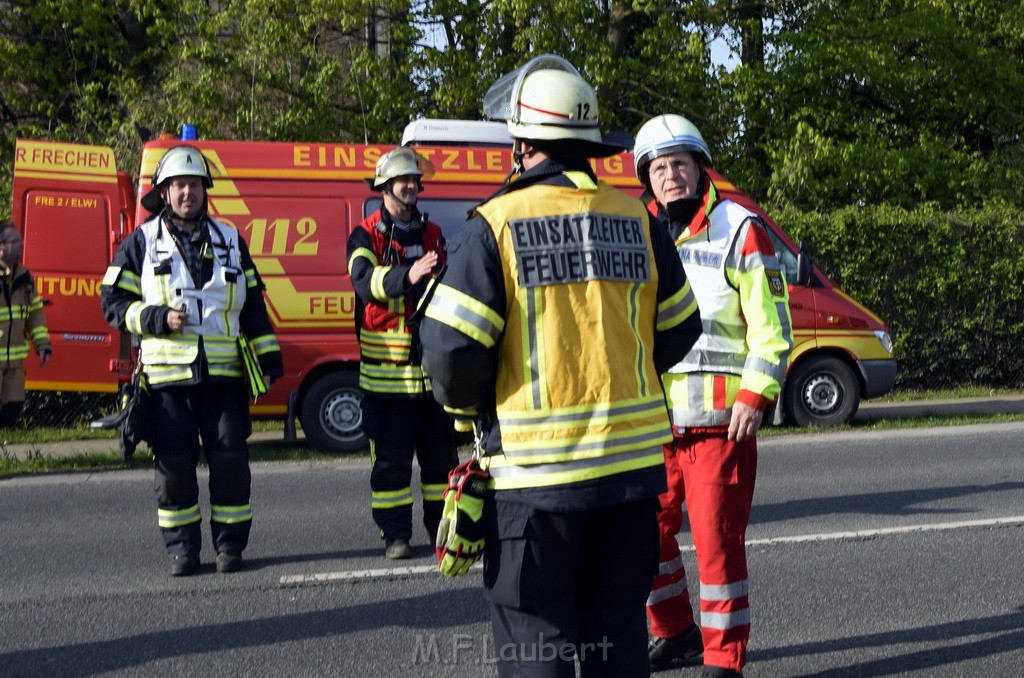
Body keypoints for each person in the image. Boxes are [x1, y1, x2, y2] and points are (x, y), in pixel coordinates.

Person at [418, 54, 703, 677]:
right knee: (618, 642)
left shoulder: (494, 225)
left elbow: (449, 355)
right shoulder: (641, 222)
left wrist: (479, 409)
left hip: (532, 483)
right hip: (629, 481)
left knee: (537, 646)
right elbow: (681, 330)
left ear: (523, 145)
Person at [634, 114, 793, 677]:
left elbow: (772, 326)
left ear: (700, 169)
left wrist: (756, 393)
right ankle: (675, 631)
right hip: (652, 423)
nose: (671, 176)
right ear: (646, 179)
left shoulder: (739, 227)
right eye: (659, 168)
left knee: (717, 550)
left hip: (721, 424)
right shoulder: (638, 229)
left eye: (680, 164)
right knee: (640, 538)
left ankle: (724, 660)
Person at [100, 145, 283, 577]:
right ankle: (182, 549)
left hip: (224, 377)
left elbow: (253, 303)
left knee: (231, 460)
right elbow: (111, 301)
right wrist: (157, 318)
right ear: (164, 192)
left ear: (205, 190)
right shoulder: (141, 242)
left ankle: (230, 547)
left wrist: (268, 354)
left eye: (195, 185)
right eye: (179, 185)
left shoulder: (230, 239)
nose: (187, 193)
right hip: (166, 380)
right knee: (174, 465)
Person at [346, 146, 459, 560]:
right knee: (390, 469)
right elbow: (363, 281)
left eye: (414, 180)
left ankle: (440, 533)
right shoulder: (365, 234)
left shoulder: (431, 234)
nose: (411, 186)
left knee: (440, 465)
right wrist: (406, 275)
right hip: (386, 378)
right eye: (402, 181)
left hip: (431, 376)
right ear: (385, 187)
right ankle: (395, 536)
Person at [0, 220, 51, 427]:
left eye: (20, 240)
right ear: (1, 247)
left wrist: (43, 345)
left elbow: (35, 315)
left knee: (12, 407)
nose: (21, 244)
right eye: (15, 241)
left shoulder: (25, 278)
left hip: (14, 364)